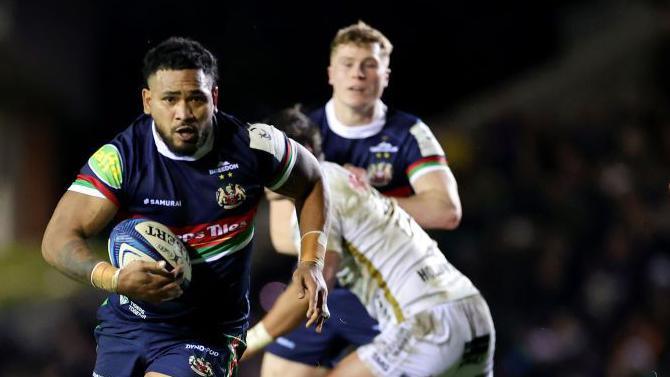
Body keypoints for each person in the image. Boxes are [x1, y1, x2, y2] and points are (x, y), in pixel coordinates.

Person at [41, 37, 330, 377]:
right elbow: (57, 239)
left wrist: (311, 260)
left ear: (215, 98)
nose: (183, 113)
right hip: (128, 326)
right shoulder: (121, 159)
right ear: (148, 101)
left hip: (207, 333)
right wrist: (115, 278)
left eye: (196, 98)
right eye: (170, 99)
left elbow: (312, 182)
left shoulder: (252, 146)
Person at [262, 21, 463, 376]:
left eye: (369, 64)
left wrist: (362, 201)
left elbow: (446, 211)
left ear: (385, 74)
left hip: (393, 292)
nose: (358, 74)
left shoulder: (407, 133)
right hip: (327, 287)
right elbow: (281, 237)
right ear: (330, 73)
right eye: (348, 63)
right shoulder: (304, 132)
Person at [245, 107, 495, 376]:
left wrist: (245, 343)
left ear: (299, 152)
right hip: (472, 314)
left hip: (427, 323)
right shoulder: (341, 180)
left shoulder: (317, 192)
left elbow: (314, 284)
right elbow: (285, 242)